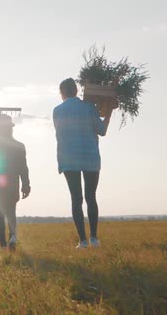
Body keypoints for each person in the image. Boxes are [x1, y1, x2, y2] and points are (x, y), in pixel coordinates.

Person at [52, 78, 111, 249]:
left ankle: (82, 241)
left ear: (61, 93)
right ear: (76, 91)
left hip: (69, 158)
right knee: (91, 197)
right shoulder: (89, 108)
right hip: (90, 156)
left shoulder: (57, 111)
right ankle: (94, 238)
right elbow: (102, 131)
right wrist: (108, 112)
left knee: (76, 199)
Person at [0, 114, 31, 251]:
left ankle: (3, 244)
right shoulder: (19, 146)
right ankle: (12, 238)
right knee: (11, 213)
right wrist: (26, 184)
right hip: (12, 184)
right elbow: (23, 167)